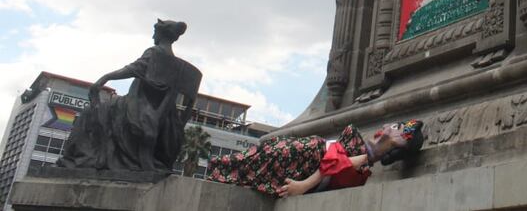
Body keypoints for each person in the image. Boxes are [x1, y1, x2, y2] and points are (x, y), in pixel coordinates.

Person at [58, 19, 201, 171]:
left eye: (155, 33)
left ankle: (85, 157)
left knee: (90, 112)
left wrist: (105, 78)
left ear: (160, 34)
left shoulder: (155, 53)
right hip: (164, 117)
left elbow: (132, 69)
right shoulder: (177, 65)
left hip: (138, 108)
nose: (153, 37)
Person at [206, 120, 424, 198]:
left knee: (264, 159)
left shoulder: (365, 157)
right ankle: (221, 168)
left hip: (304, 158)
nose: (386, 127)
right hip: (303, 152)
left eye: (395, 128)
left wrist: (303, 186)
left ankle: (221, 169)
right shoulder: (360, 147)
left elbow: (335, 163)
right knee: (262, 155)